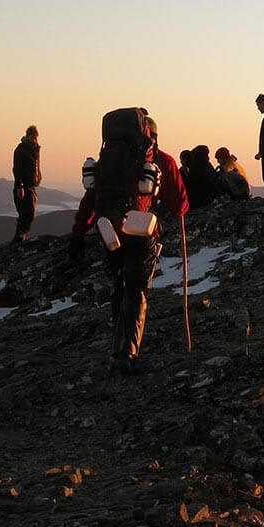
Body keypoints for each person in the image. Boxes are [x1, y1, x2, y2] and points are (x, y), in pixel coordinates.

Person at [69, 115, 188, 373]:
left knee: (120, 287)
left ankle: (118, 349)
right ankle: (128, 354)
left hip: (108, 229)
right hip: (141, 230)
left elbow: (91, 199)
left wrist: (78, 233)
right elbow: (180, 205)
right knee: (136, 288)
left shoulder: (109, 161)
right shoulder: (161, 161)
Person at [11, 125, 41, 243]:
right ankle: (19, 236)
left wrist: (38, 177)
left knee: (29, 213)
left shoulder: (34, 150)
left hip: (31, 186)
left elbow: (35, 167)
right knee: (27, 213)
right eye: (32, 137)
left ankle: (20, 235)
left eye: (35, 138)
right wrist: (19, 186)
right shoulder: (21, 150)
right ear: (28, 136)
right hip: (24, 186)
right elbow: (17, 169)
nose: (34, 140)